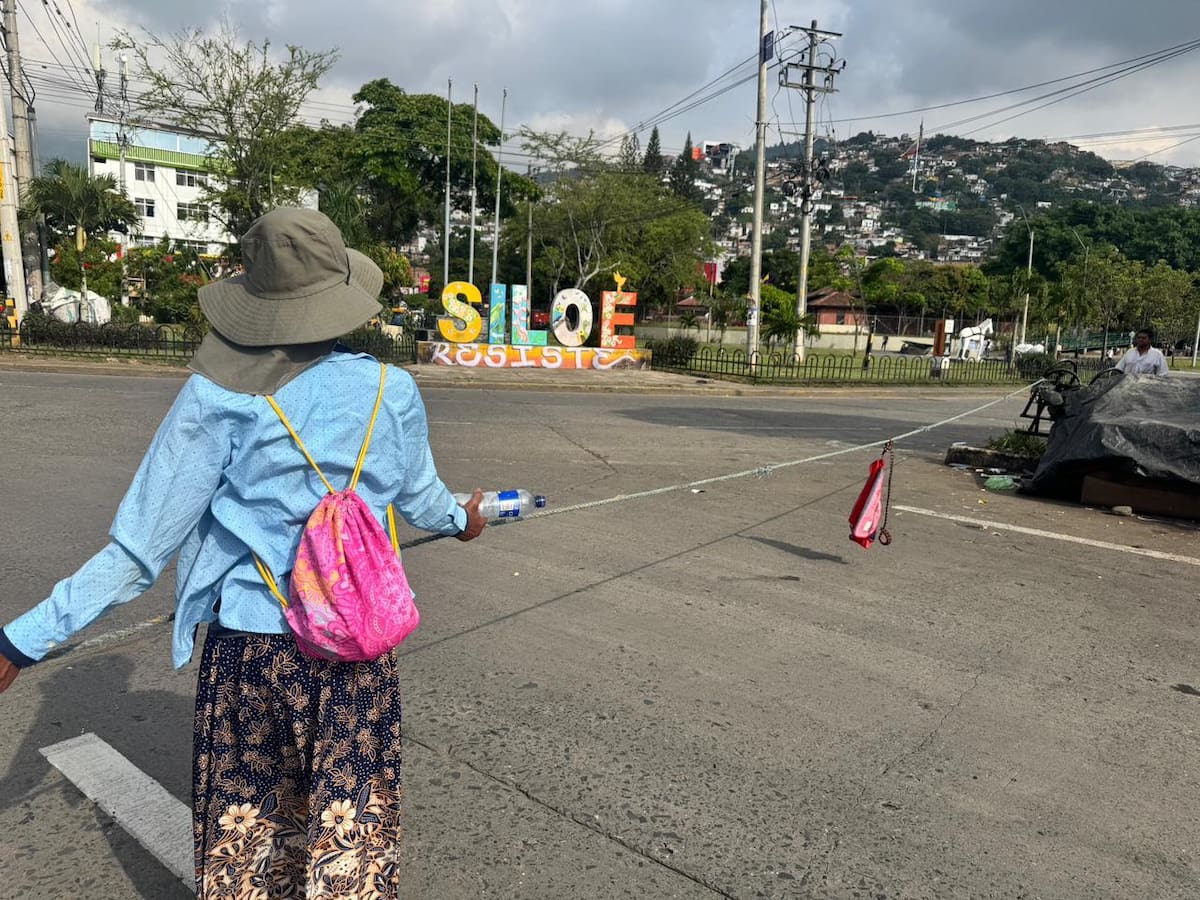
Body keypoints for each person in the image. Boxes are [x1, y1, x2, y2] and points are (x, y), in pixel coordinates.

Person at [0, 207, 488, 898]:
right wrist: (464, 521)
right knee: (351, 837)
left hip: (252, 656)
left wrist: (23, 639)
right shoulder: (392, 389)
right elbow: (423, 498)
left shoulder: (217, 395)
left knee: (250, 846)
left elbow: (140, 551)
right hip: (357, 650)